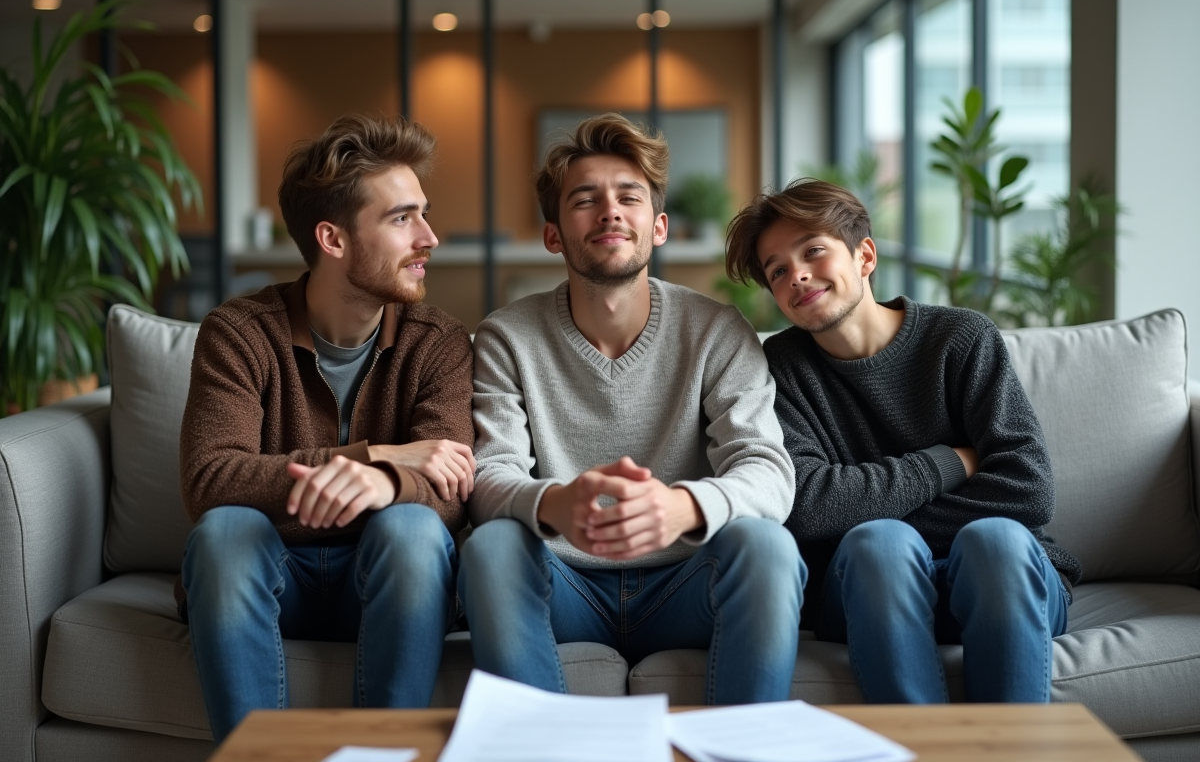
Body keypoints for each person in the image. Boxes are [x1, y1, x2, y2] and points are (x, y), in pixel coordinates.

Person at [459, 113, 804, 705]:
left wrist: (682, 505)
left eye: (629, 198)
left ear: (659, 226)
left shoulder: (718, 331)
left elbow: (768, 471)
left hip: (687, 584)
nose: (610, 212)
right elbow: (489, 475)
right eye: (585, 200)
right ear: (553, 235)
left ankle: (741, 746)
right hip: (564, 585)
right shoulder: (506, 336)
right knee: (490, 546)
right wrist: (555, 503)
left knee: (769, 546)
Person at [724, 178, 1081, 704]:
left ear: (864, 255)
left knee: (996, 541)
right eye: (777, 270)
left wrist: (864, 506)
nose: (796, 274)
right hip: (869, 589)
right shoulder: (780, 369)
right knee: (879, 544)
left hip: (999, 582)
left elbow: (1027, 488)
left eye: (813, 251)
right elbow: (807, 508)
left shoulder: (960, 339)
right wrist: (947, 462)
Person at [178, 114, 475, 742]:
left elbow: (453, 486)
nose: (429, 237)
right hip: (269, 575)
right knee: (225, 532)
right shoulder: (239, 331)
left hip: (384, 579)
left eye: (423, 213)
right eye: (402, 219)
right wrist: (378, 458)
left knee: (414, 530)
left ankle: (384, 757)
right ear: (333, 239)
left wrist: (389, 489)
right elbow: (210, 479)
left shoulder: (439, 342)